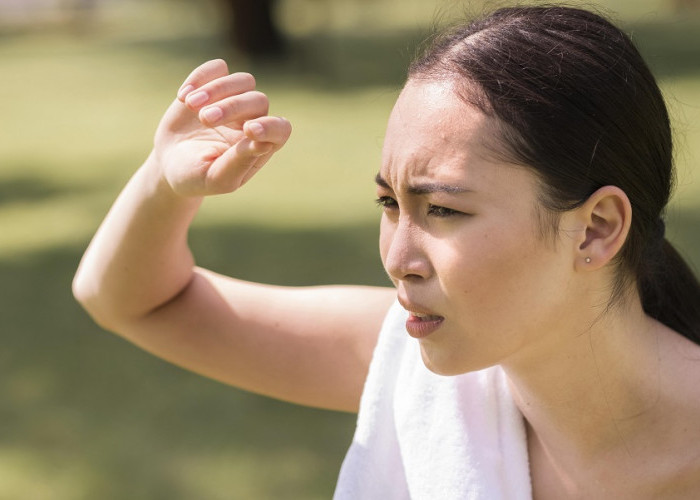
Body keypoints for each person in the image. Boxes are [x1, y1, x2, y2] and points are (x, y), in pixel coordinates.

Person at [73, 5, 700, 498]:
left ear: (595, 229)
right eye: (389, 205)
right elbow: (128, 301)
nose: (399, 256)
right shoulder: (405, 368)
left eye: (444, 210)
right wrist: (163, 180)